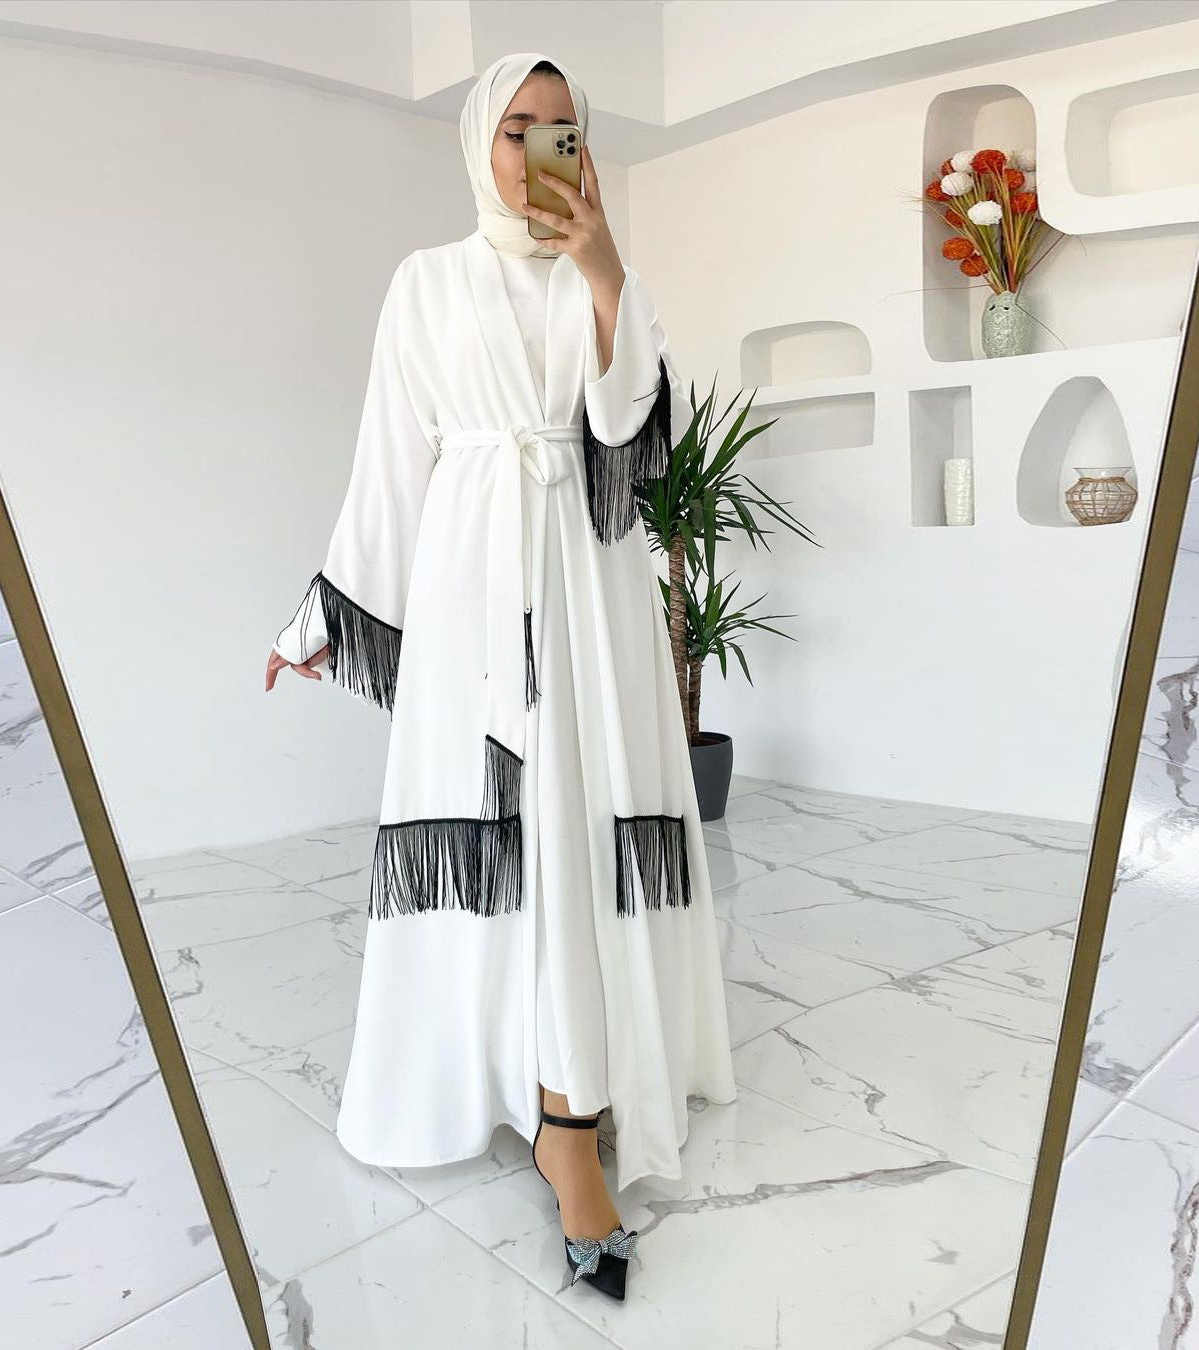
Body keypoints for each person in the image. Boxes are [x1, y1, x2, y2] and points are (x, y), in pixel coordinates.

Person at [265, 51, 737, 1300]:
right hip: (478, 581)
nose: (539, 148)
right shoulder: (425, 283)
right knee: (499, 830)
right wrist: (325, 616)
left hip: (591, 582)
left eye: (564, 129)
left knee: (584, 826)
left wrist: (602, 269)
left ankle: (573, 1106)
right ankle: (528, 1098)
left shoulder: (608, 278)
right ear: (479, 139)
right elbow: (390, 461)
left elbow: (637, 450)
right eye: (517, 126)